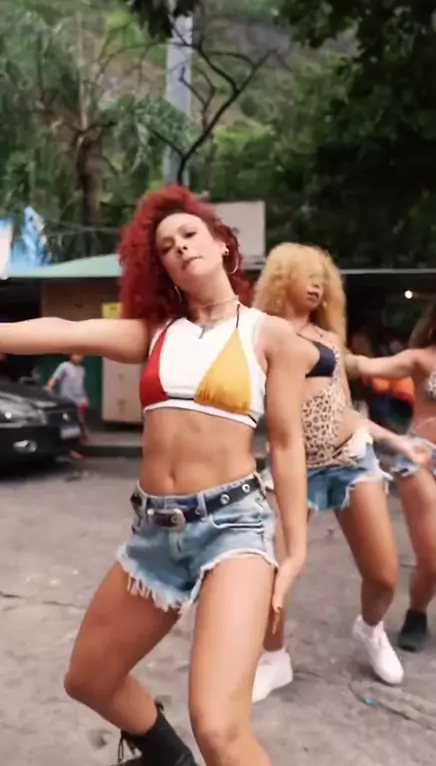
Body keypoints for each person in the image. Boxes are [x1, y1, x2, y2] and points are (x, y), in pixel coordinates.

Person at [0, 186, 308, 766]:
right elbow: (63, 331)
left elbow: (287, 446)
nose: (180, 247)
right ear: (161, 267)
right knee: (89, 678)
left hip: (233, 529)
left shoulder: (267, 335)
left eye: (190, 234)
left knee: (219, 727)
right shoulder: (156, 333)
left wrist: (295, 549)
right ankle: (168, 758)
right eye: (166, 246)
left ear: (223, 244)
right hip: (155, 533)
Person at [251, 243, 431, 703]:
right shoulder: (256, 334)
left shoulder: (329, 340)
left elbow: (344, 411)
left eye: (323, 279)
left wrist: (398, 441)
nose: (317, 286)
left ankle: (370, 629)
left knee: (384, 575)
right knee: (271, 572)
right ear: (282, 278)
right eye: (307, 276)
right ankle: (274, 657)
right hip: (293, 467)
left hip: (351, 459)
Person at [346, 286, 436, 651]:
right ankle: (417, 614)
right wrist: (322, 352)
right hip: (423, 458)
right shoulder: (421, 359)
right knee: (434, 561)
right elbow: (368, 366)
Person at [47, 353, 89, 451]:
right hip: (68, 400)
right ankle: (70, 449)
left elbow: (81, 385)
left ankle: (79, 443)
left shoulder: (82, 369)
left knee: (80, 422)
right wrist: (49, 387)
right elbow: (54, 378)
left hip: (80, 401)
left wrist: (86, 398)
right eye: (76, 354)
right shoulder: (64, 366)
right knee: (70, 426)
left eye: (80, 355)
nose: (79, 357)